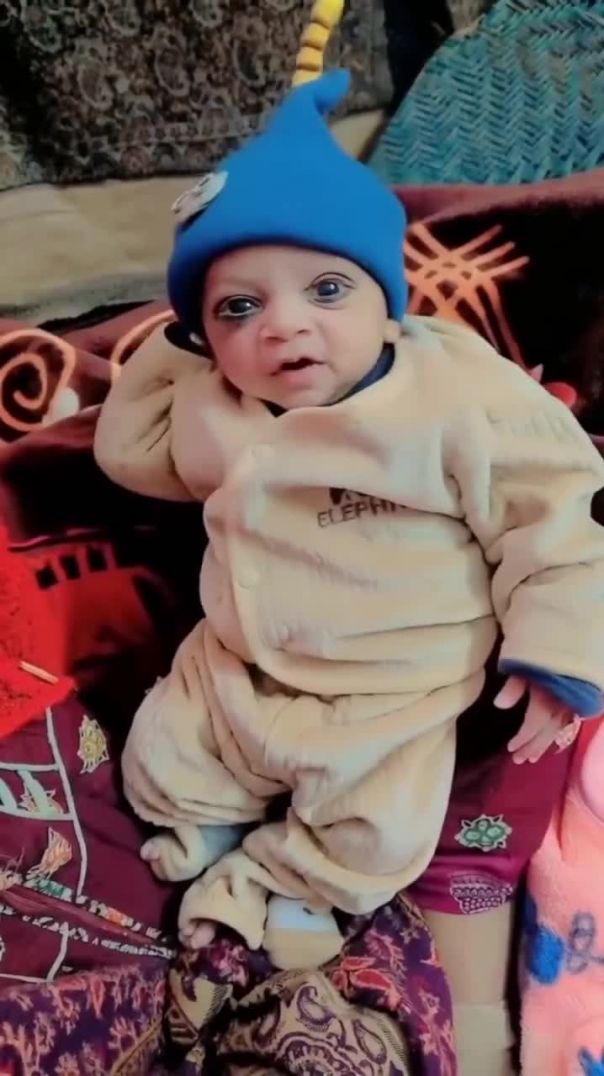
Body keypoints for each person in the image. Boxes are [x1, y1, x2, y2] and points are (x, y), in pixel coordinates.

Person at [93, 22, 604, 1076]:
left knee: (372, 829)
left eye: (326, 291)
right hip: (237, 663)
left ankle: (281, 882)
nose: (284, 328)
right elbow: (125, 451)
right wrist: (172, 344)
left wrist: (560, 648)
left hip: (393, 686)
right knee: (161, 763)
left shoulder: (449, 391)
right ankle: (207, 839)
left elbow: (557, 508)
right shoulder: (215, 402)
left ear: (386, 299)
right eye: (239, 307)